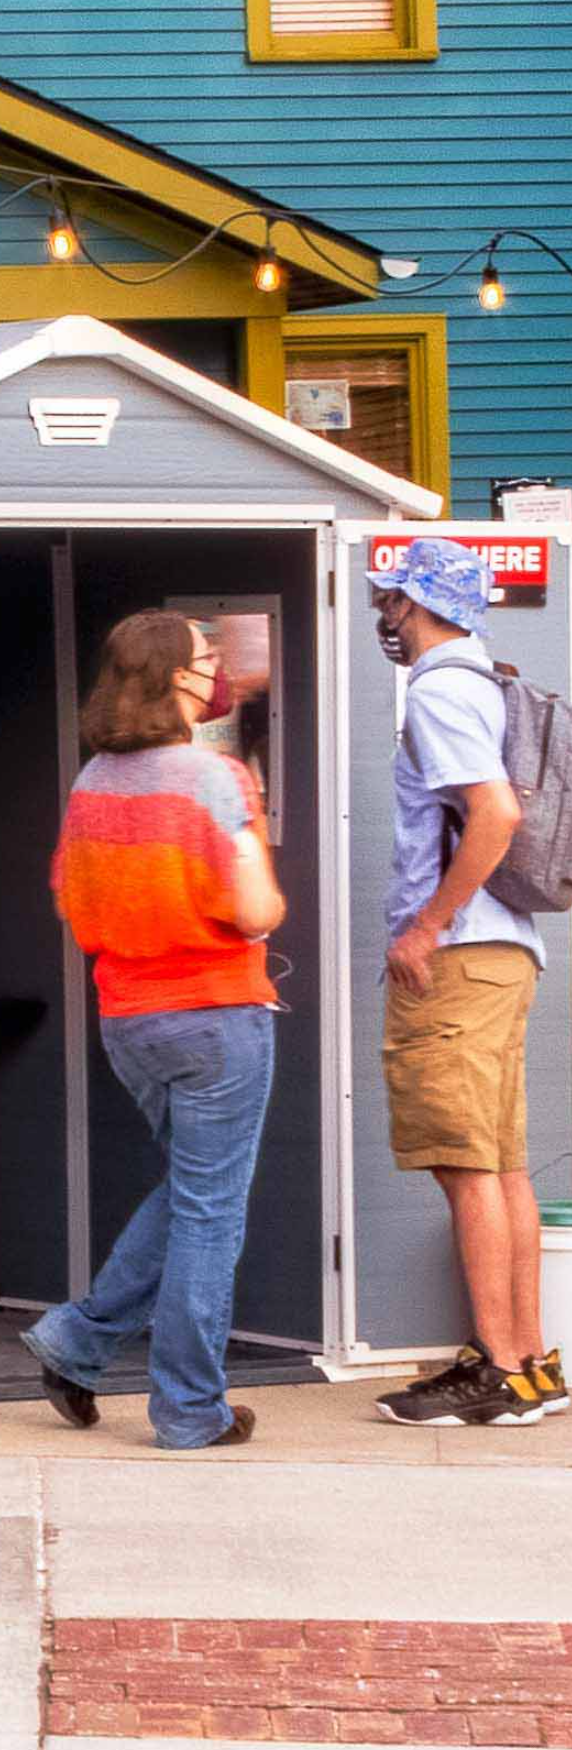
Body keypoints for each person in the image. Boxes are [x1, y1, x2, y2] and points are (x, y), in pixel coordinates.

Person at [32, 606, 284, 1452]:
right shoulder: (216, 777)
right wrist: (262, 889)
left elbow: (70, 899)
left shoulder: (92, 781)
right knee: (211, 1211)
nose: (220, 669)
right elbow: (255, 911)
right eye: (209, 655)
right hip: (216, 1013)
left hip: (130, 1019)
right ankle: (188, 1407)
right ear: (178, 676)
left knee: (190, 1190)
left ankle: (77, 1341)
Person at [366, 534, 561, 1427]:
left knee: (465, 1166)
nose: (385, 613)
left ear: (418, 604)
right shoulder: (487, 681)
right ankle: (527, 1366)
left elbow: (495, 813)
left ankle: (499, 1372)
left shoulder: (440, 691)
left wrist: (427, 925)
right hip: (505, 951)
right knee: (501, 1165)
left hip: (460, 958)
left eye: (392, 598)